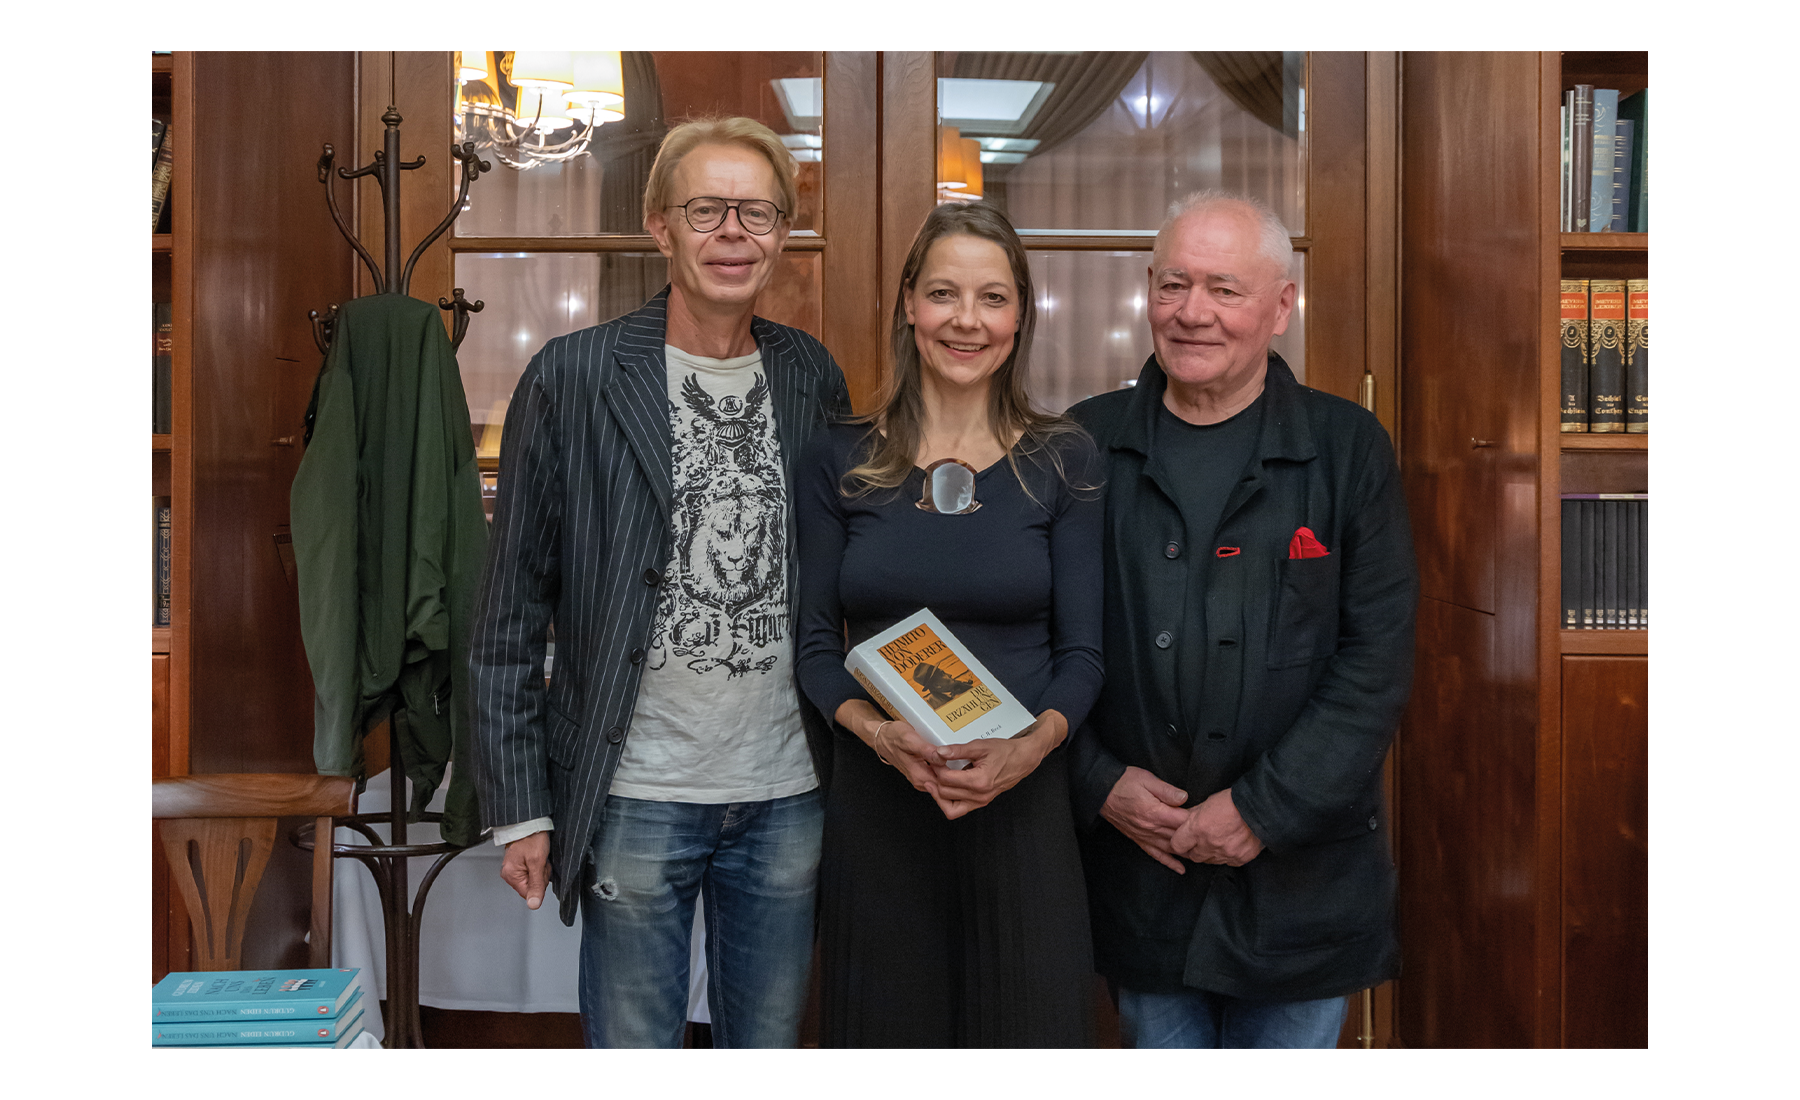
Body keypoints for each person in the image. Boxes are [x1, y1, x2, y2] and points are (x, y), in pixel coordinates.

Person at [466, 117, 851, 1049]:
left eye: (757, 211)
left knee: (767, 1048)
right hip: (633, 790)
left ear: (783, 232)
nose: (733, 232)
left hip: (787, 791)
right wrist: (521, 805)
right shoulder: (575, 376)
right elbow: (507, 610)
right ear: (659, 226)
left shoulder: (811, 377)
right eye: (707, 209)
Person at [1066, 190, 1419, 1049]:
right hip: (1141, 875)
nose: (1193, 314)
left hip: (1303, 879)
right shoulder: (1082, 444)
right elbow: (1040, 646)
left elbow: (1375, 663)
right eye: (1174, 284)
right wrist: (1096, 782)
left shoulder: (1348, 449)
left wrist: (1261, 810)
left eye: (1224, 289)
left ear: (1281, 305)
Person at [794, 201, 1104, 1047]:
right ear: (907, 304)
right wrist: (877, 735)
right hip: (879, 806)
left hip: (1023, 810)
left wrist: (1027, 750)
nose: (967, 320)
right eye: (943, 294)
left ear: (1019, 316)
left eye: (993, 298)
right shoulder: (838, 458)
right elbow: (818, 648)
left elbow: (1084, 656)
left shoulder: (1066, 460)